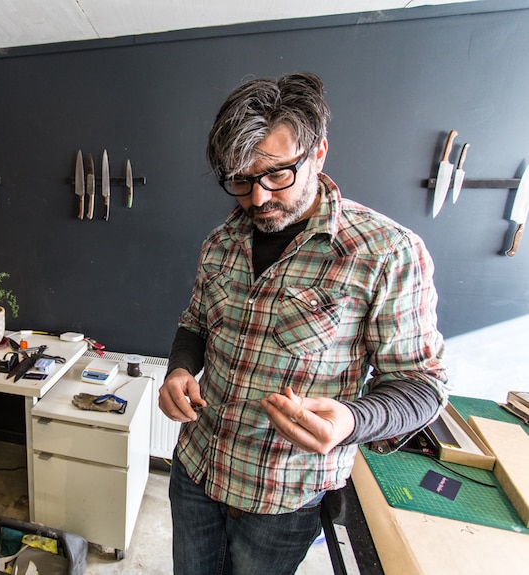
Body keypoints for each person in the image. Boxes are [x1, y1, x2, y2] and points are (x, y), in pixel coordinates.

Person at [158, 72, 448, 575]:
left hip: (284, 495)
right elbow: (195, 326)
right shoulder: (220, 243)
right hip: (197, 468)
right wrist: (180, 370)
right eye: (241, 180)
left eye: (277, 174)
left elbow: (423, 387)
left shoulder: (387, 252)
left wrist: (352, 420)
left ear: (318, 154)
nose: (259, 198)